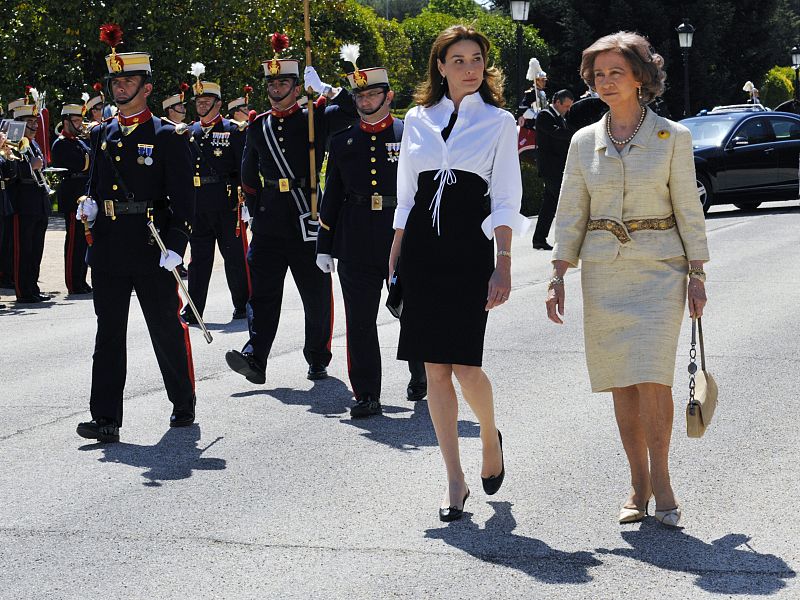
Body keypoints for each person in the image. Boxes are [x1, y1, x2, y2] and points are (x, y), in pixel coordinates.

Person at [546, 31, 709, 528]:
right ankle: (636, 483)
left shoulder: (673, 137)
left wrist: (697, 273)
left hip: (661, 271)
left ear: (640, 77)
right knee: (621, 380)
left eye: (617, 72)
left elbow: (688, 209)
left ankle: (662, 479)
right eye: (598, 75)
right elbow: (571, 209)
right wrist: (558, 272)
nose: (606, 82)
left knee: (652, 376)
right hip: (604, 273)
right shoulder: (582, 141)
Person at [389, 25, 528, 521]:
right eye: (459, 59)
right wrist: (397, 247)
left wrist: (504, 263)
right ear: (441, 66)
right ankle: (454, 480)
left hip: (470, 251)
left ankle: (489, 435)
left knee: (466, 365)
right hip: (423, 253)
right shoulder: (417, 118)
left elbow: (508, 197)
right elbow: (406, 192)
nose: (470, 68)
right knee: (433, 370)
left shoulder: (499, 121)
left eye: (477, 60)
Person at [75, 24, 197, 444]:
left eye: (129, 80)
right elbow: (96, 186)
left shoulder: (168, 135)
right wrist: (87, 205)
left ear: (146, 86)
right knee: (108, 334)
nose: (121, 87)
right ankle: (105, 418)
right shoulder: (104, 132)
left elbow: (184, 201)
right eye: (116, 81)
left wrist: (176, 248)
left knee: (164, 327)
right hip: (109, 246)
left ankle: (183, 401)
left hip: (151, 245)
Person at [225, 32, 356, 385]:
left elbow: (354, 109)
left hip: (308, 216)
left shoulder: (315, 116)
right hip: (270, 221)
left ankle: (317, 356)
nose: (277, 88)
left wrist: (328, 88)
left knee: (315, 294)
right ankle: (256, 356)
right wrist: (255, 207)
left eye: (284, 82)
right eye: (272, 82)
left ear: (297, 87)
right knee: (263, 294)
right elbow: (248, 172)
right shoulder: (258, 124)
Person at [316, 47, 426, 418]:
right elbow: (331, 196)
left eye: (372, 94)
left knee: (411, 311)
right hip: (355, 238)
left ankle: (421, 371)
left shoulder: (410, 133)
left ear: (388, 96)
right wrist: (324, 244)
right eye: (359, 95)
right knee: (360, 321)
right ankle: (366, 394)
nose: (365, 100)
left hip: (402, 235)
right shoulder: (343, 140)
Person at [181, 70, 249, 322]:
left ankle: (243, 304)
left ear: (218, 103)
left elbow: (244, 167)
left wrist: (246, 202)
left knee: (234, 257)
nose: (201, 105)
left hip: (226, 202)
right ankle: (194, 308)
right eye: (198, 101)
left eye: (206, 101)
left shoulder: (233, 130)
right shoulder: (189, 132)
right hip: (198, 203)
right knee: (198, 260)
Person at [6, 98, 52, 304]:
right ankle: (23, 290)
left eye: (35, 122)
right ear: (19, 123)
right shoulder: (12, 143)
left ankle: (32, 287)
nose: (34, 126)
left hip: (38, 203)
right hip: (23, 204)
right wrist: (30, 167)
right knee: (23, 250)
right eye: (29, 122)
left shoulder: (32, 143)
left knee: (35, 250)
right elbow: (10, 172)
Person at [51, 101, 92, 294]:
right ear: (65, 121)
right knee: (74, 242)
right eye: (75, 120)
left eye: (80, 120)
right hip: (72, 196)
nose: (79, 124)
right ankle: (73, 282)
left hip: (84, 194)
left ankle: (81, 280)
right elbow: (81, 164)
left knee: (84, 241)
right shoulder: (61, 144)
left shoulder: (80, 142)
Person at [531, 89, 574, 251]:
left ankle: (539, 239)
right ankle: (567, 239)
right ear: (557, 102)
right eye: (566, 106)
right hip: (550, 168)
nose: (568, 109)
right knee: (565, 202)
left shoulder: (560, 117)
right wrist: (576, 134)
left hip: (558, 168)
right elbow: (556, 133)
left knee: (549, 206)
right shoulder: (545, 115)